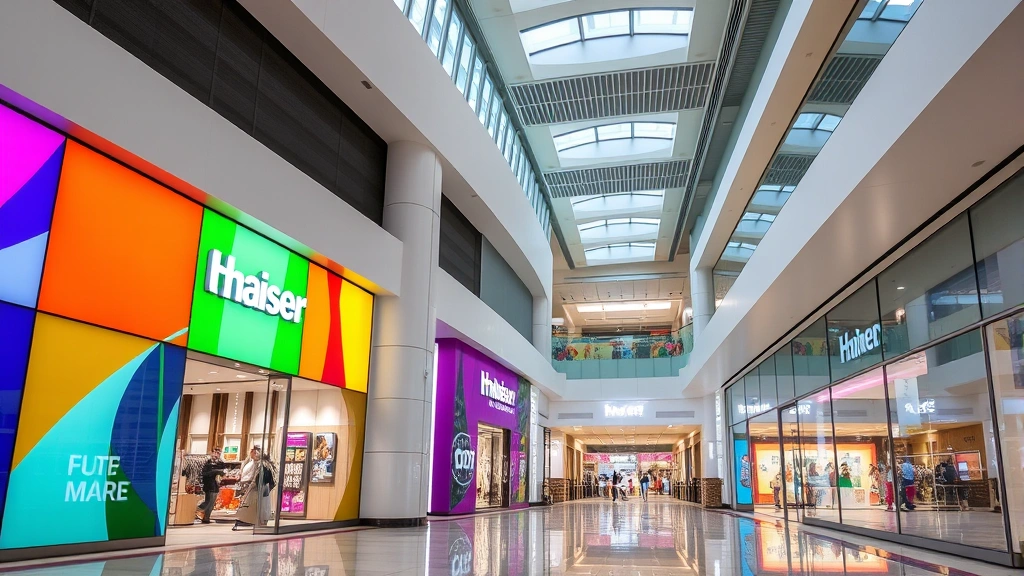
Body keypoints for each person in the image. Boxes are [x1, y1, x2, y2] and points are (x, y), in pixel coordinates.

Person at [233, 447, 277, 530]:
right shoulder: (266, 465)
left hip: (257, 488)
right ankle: (261, 521)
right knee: (263, 505)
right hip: (264, 488)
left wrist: (247, 491)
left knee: (251, 506)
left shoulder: (260, 465)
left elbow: (254, 479)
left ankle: (246, 521)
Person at [197, 447, 225, 524]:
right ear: (212, 453)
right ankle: (196, 510)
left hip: (215, 486)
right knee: (208, 502)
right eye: (215, 452)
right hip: (209, 486)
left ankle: (206, 518)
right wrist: (216, 471)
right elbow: (205, 474)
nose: (216, 455)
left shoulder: (219, 463)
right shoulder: (207, 463)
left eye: (218, 453)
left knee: (211, 504)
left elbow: (222, 470)